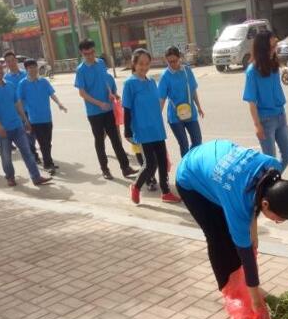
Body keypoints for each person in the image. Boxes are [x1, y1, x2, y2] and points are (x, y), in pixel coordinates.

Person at [176, 140, 288, 319]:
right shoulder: (239, 203)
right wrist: (257, 303)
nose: (278, 222)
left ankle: (243, 286)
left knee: (237, 235)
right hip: (192, 180)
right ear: (266, 204)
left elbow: (255, 198)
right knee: (218, 237)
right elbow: (247, 258)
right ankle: (232, 293)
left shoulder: (273, 169)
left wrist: (254, 234)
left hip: (218, 172)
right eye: (279, 219)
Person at [123, 48, 181, 205]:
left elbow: (156, 104)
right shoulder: (129, 84)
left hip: (157, 127)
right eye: (141, 63)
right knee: (150, 164)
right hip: (142, 129)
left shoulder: (151, 82)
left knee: (162, 161)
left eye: (147, 63)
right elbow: (127, 108)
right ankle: (136, 187)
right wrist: (127, 130)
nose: (144, 67)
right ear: (134, 64)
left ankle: (166, 192)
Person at [75, 39, 138, 180]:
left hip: (108, 109)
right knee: (100, 141)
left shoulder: (101, 63)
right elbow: (82, 93)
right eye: (86, 54)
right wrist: (98, 103)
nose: (90, 56)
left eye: (92, 52)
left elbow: (105, 81)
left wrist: (112, 93)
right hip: (94, 112)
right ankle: (105, 169)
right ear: (81, 53)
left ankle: (125, 168)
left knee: (115, 139)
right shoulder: (81, 70)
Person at [0, 61, 51, 187]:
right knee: (6, 156)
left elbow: (17, 104)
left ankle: (36, 177)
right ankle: (10, 177)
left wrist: (25, 120)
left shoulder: (10, 85)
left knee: (27, 153)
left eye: (0, 68)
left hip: (17, 126)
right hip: (2, 129)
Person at [243, 31, 288, 171]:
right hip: (265, 121)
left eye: (275, 45)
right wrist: (257, 125)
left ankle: (271, 179)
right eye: (271, 47)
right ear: (262, 48)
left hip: (280, 116)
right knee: (270, 161)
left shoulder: (273, 65)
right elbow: (251, 102)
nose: (274, 49)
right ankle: (269, 181)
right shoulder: (252, 71)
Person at [18, 58, 67, 174]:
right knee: (43, 142)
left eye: (34, 67)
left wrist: (59, 104)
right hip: (34, 119)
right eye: (30, 68)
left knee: (48, 142)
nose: (33, 69)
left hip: (47, 117)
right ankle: (48, 164)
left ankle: (49, 161)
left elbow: (52, 94)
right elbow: (19, 102)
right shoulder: (23, 84)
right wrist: (25, 119)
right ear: (26, 69)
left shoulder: (44, 81)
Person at [158, 45, 204, 157]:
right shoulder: (165, 76)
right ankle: (186, 165)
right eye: (169, 62)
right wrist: (157, 117)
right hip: (175, 117)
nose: (172, 64)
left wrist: (199, 107)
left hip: (190, 113)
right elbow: (162, 98)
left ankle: (191, 161)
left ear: (180, 58)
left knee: (197, 140)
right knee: (184, 144)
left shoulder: (187, 71)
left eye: (174, 61)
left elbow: (193, 90)